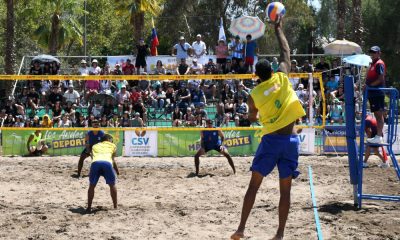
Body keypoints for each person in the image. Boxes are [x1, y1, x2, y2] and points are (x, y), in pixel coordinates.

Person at [231, 17, 305, 240]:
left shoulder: (254, 95)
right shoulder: (282, 77)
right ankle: (280, 234)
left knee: (253, 186)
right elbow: (285, 50)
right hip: (291, 142)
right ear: (272, 71)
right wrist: (278, 28)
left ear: (256, 76)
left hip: (271, 141)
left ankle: (241, 229)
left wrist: (252, 115)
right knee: (285, 192)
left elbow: (253, 118)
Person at [86, 134, 120, 212]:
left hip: (95, 163)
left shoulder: (95, 146)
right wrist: (117, 171)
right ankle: (115, 206)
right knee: (112, 185)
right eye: (111, 139)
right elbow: (112, 160)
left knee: (92, 186)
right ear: (108, 139)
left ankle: (88, 207)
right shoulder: (113, 145)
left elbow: (92, 157)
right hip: (107, 163)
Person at [365, 46, 386, 144]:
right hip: (373, 93)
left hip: (377, 93)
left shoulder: (379, 63)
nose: (372, 54)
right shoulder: (373, 64)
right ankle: (378, 136)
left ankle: (379, 136)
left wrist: (369, 86)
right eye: (371, 52)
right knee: (377, 115)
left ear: (379, 53)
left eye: (374, 52)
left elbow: (380, 79)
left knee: (379, 114)